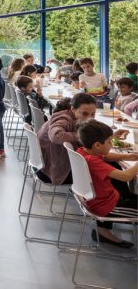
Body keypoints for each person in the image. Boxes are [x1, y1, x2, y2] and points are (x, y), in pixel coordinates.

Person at [76, 119, 138, 247]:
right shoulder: (93, 162)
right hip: (107, 206)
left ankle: (102, 232)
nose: (111, 144)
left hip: (102, 199)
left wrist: (128, 156)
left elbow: (105, 156)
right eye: (110, 142)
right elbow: (126, 176)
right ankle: (102, 231)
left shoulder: (82, 151)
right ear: (98, 145)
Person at [36, 93, 98, 185]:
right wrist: (81, 135)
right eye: (85, 113)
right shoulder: (63, 118)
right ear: (73, 109)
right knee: (107, 167)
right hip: (51, 172)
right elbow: (56, 136)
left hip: (45, 166)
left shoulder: (71, 117)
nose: (89, 117)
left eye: (93, 114)